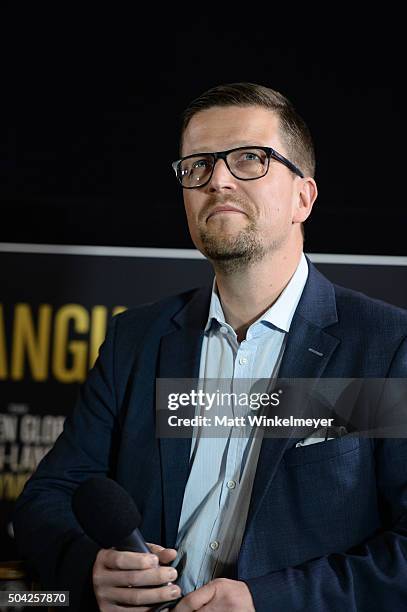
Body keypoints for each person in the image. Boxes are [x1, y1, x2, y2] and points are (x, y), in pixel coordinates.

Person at [13, 83, 407, 612]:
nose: (217, 179)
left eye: (250, 159)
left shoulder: (385, 347)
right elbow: (49, 497)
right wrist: (89, 568)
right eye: (197, 165)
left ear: (303, 198)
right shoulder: (138, 340)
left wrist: (267, 602)